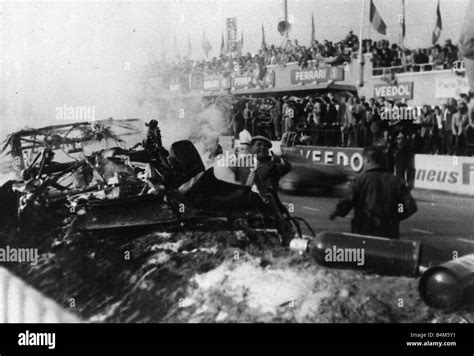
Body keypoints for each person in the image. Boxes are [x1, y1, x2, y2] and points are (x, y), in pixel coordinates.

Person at [329, 146, 417, 239]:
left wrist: (337, 211)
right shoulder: (398, 182)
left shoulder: (360, 180)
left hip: (364, 233)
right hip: (390, 235)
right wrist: (397, 214)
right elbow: (408, 206)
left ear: (367, 160)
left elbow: (347, 203)